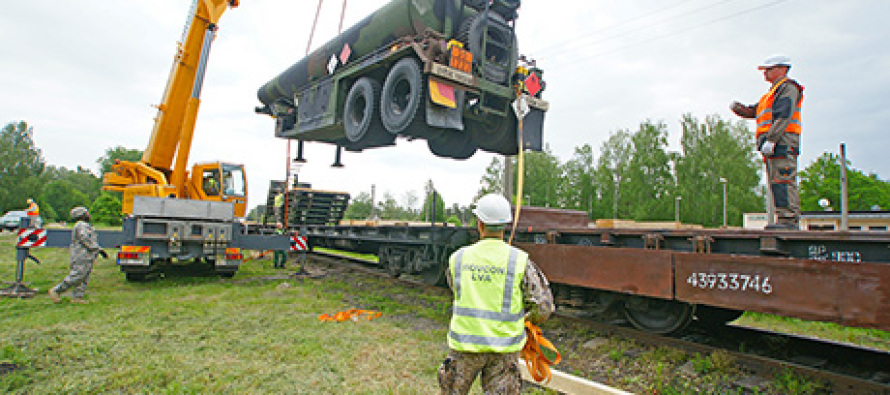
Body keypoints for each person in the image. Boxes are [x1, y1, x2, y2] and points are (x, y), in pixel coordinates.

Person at [438, 194, 554, 395]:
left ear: (479, 223)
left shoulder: (458, 258)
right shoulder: (519, 261)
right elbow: (543, 307)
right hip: (503, 352)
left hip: (465, 348)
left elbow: (455, 289)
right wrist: (527, 319)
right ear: (505, 226)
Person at [731, 54, 804, 229]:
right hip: (773, 145)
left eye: (768, 70)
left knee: (783, 180)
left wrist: (772, 140)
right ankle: (784, 218)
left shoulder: (788, 88)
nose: (765, 73)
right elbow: (757, 111)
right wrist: (740, 110)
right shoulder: (771, 94)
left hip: (782, 142)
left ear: (782, 69)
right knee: (776, 183)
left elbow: (783, 116)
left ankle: (789, 220)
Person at [48, 207, 107, 304]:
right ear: (81, 215)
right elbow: (84, 238)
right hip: (81, 255)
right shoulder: (81, 226)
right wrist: (98, 249)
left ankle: (77, 297)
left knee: (84, 277)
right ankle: (57, 290)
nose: (88, 215)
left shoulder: (84, 225)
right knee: (77, 275)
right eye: (86, 213)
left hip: (87, 255)